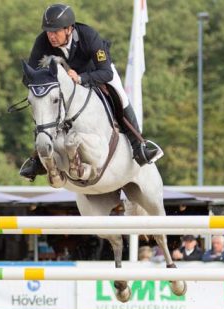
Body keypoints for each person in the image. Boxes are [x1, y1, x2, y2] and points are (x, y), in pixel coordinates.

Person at [19, 3, 163, 181]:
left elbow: (106, 72)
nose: (51, 36)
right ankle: (38, 159)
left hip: (96, 72)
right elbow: (29, 77)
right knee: (44, 106)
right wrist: (44, 82)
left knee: (120, 95)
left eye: (55, 31)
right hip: (67, 85)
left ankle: (139, 146)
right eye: (48, 31)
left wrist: (80, 78)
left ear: (69, 29)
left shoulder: (88, 36)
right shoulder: (43, 41)